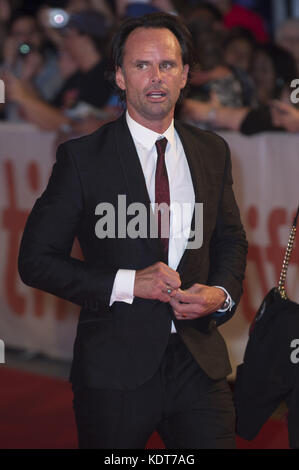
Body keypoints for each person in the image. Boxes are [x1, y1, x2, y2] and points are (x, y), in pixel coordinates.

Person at [18, 12, 248, 449]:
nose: (156, 76)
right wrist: (129, 283)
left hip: (199, 365)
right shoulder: (84, 159)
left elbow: (230, 241)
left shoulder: (212, 151)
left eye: (167, 64)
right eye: (142, 65)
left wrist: (220, 293)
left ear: (185, 75)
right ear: (120, 77)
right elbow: (35, 261)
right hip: (114, 370)